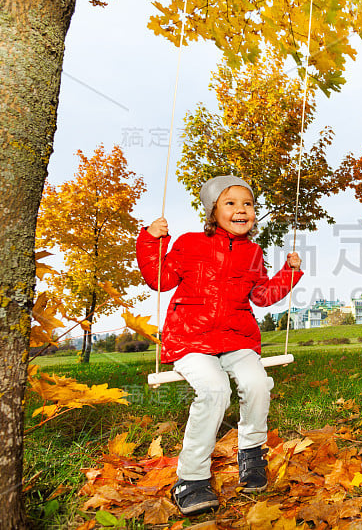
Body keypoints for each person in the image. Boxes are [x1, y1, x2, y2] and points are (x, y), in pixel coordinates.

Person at [136, 175, 302, 516]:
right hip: (190, 338)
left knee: (257, 383)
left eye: (248, 204)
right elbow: (160, 279)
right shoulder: (189, 242)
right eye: (231, 203)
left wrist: (288, 272)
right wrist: (152, 241)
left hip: (236, 337)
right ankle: (191, 479)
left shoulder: (254, 253)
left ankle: (252, 453)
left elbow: (262, 295)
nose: (241, 209)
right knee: (214, 391)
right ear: (213, 210)